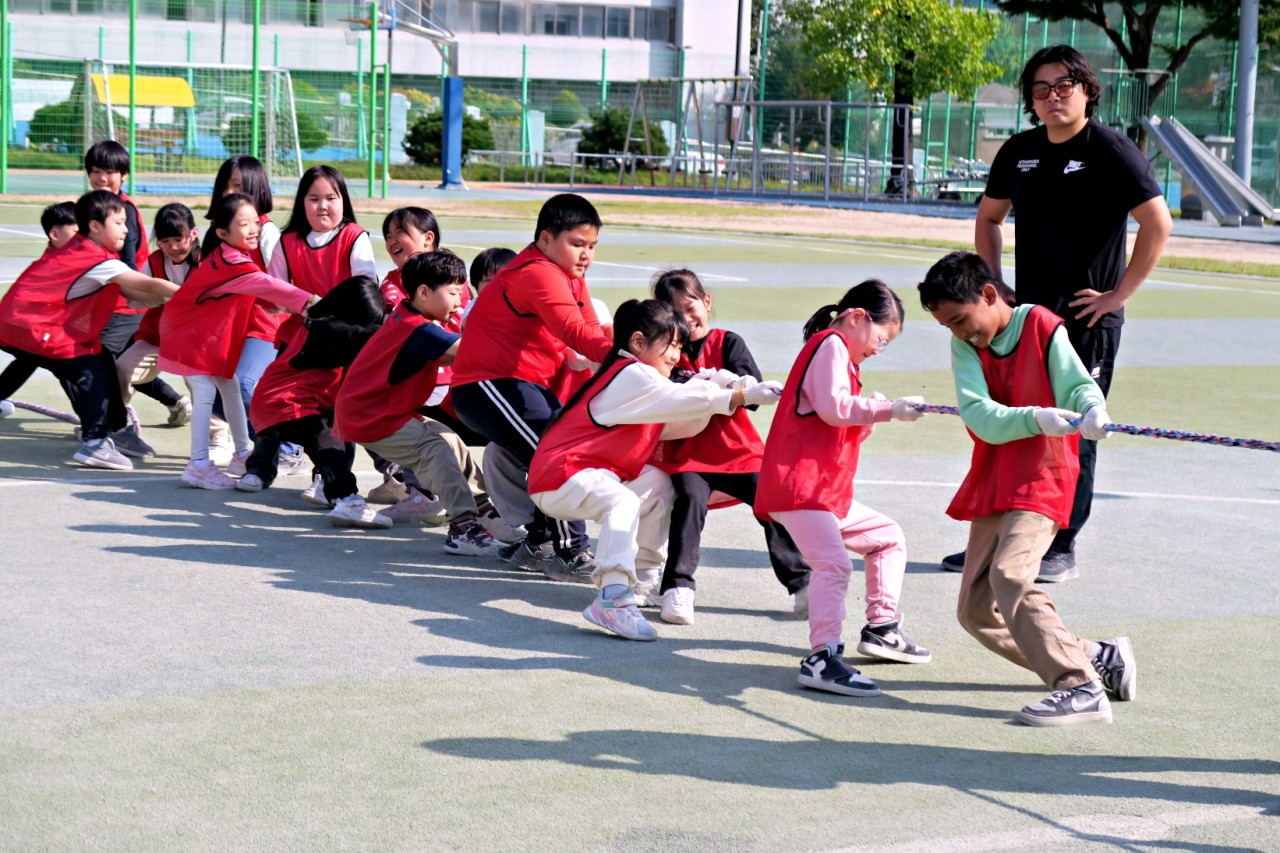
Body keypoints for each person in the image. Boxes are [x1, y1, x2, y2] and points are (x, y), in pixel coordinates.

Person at [955, 44, 1173, 583]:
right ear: (1031, 98)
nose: (1053, 97)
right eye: (1041, 89)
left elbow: (1158, 224)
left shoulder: (1113, 151)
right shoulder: (1019, 151)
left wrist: (1116, 296)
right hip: (1029, 319)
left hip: (1088, 321)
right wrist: (994, 287)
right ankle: (1000, 538)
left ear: (1085, 91)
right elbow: (989, 220)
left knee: (1076, 427)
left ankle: (1062, 543)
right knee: (1018, 423)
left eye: (1064, 86)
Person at [920, 250, 1136, 726]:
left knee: (1011, 576)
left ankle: (1079, 685)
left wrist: (1092, 409)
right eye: (949, 327)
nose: (959, 333)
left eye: (961, 319)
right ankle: (1097, 656)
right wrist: (1036, 417)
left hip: (1044, 474)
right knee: (976, 612)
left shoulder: (1040, 325)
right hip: (997, 476)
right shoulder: (965, 347)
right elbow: (978, 417)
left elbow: (1077, 384)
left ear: (990, 294)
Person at [528, 299, 783, 641]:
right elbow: (679, 401)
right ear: (637, 343)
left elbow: (680, 422)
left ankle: (641, 580)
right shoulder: (632, 374)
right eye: (671, 345)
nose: (677, 355)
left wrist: (720, 388)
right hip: (559, 475)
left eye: (680, 346)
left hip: (582, 474)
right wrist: (738, 393)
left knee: (660, 483)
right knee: (623, 502)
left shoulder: (639, 379)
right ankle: (613, 598)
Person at [756, 280, 932, 699]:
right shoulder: (831, 344)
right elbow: (835, 410)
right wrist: (888, 410)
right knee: (833, 566)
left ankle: (882, 627)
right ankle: (822, 657)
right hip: (801, 488)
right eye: (881, 339)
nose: (878, 349)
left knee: (887, 539)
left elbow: (836, 425)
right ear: (857, 318)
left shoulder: (841, 357)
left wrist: (869, 417)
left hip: (822, 492)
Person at [450, 193, 614, 581]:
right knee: (553, 451)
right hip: (486, 386)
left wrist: (632, 349)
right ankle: (569, 551)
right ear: (544, 239)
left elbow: (589, 331)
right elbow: (576, 333)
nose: (586, 254)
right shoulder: (537, 272)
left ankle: (541, 542)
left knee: (553, 447)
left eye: (592, 246)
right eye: (576, 243)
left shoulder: (569, 275)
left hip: (515, 387)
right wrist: (636, 352)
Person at [647, 269, 811, 625]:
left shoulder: (728, 341)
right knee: (690, 501)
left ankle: (803, 584)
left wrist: (741, 385)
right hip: (687, 453)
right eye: (674, 312)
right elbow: (666, 393)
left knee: (771, 499)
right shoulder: (664, 351)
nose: (686, 319)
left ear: (707, 303)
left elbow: (751, 393)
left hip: (738, 450)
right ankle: (677, 589)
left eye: (691, 308)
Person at [334, 250, 509, 556]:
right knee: (435, 449)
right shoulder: (419, 329)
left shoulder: (409, 316)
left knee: (449, 439)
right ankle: (463, 529)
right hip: (370, 416)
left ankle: (484, 510)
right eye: (454, 293)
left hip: (381, 411)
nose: (459, 301)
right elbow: (474, 352)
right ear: (424, 292)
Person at [0, 190, 178, 469]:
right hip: (33, 328)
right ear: (95, 226)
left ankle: (115, 430)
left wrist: (164, 299)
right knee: (88, 370)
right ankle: (95, 442)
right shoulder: (95, 259)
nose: (126, 228)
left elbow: (135, 293)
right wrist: (190, 295)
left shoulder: (87, 252)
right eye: (118, 223)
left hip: (25, 325)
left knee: (102, 359)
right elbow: (146, 284)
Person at [159, 194, 315, 490]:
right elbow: (267, 284)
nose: (254, 229)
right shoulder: (230, 261)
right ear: (222, 233)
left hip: (200, 336)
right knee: (205, 390)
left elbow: (261, 292)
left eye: (256, 222)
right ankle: (199, 464)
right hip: (187, 335)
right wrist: (311, 301)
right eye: (244, 224)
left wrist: (286, 304)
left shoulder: (231, 258)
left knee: (228, 383)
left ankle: (242, 453)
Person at [240, 275, 390, 529]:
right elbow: (365, 337)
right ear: (351, 312)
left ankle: (331, 490)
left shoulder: (318, 322)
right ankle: (347, 501)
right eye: (364, 321)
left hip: (275, 405)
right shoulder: (328, 329)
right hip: (285, 404)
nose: (365, 327)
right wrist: (408, 329)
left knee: (334, 433)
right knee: (327, 439)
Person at [85, 140, 190, 426]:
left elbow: (129, 265)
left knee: (101, 360)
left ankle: (103, 424)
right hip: (112, 301)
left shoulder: (124, 211)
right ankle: (175, 401)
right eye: (95, 170)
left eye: (109, 171)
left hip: (127, 303)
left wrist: (113, 280)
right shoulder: (96, 208)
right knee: (121, 364)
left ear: (124, 176)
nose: (101, 178)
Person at [207, 155, 303, 469]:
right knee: (214, 388)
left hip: (267, 323)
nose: (228, 192)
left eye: (236, 185)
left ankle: (288, 446)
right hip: (231, 325)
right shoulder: (218, 232)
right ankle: (263, 448)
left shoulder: (266, 232)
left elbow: (282, 283)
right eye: (225, 186)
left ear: (255, 188)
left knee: (242, 382)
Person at [113, 203, 202, 458]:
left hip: (197, 342)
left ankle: (217, 435)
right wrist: (157, 295)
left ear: (193, 234)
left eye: (178, 239)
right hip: (158, 337)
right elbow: (134, 297)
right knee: (123, 368)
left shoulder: (208, 261)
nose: (173, 247)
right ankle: (112, 427)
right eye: (165, 241)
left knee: (203, 385)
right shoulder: (154, 262)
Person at [0, 202, 78, 412]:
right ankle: (95, 427)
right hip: (24, 328)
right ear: (55, 234)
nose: (83, 237)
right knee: (65, 363)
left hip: (20, 327)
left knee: (29, 359)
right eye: (77, 231)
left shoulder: (62, 254)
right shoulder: (60, 261)